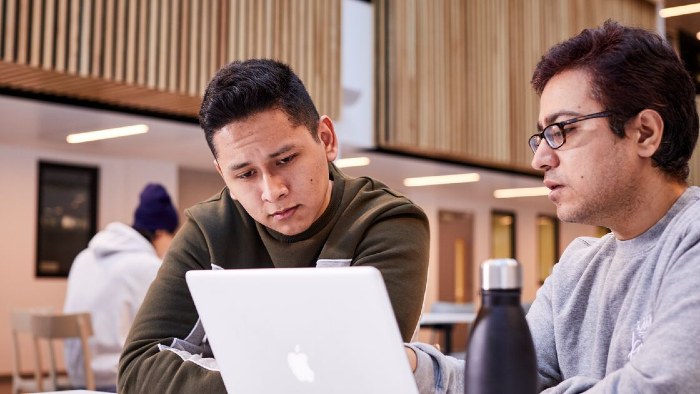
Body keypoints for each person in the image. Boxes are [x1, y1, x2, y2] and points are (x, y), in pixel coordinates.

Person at [408, 20, 700, 393]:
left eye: (563, 129)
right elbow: (500, 379)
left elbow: (662, 387)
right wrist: (410, 365)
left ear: (644, 132)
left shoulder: (690, 241)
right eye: (543, 136)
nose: (540, 159)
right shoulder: (578, 268)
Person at [118, 59, 430, 392]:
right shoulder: (209, 229)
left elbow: (357, 376)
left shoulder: (386, 222)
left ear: (326, 140)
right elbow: (139, 370)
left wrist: (237, 373)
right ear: (223, 174)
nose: (272, 191)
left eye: (285, 160)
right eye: (246, 174)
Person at [63, 183, 179, 391]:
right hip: (118, 378)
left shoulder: (84, 257)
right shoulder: (147, 266)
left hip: (77, 374)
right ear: (161, 232)